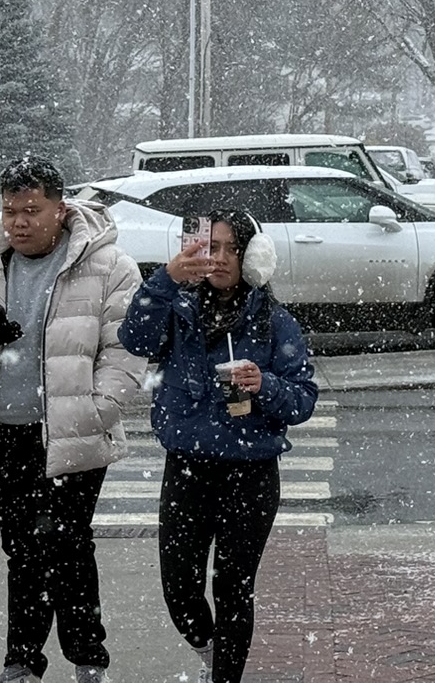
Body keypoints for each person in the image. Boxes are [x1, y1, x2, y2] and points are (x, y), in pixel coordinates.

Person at [0, 155, 146, 683]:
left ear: (60, 207)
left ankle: (88, 659)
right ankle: (22, 662)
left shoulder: (109, 264)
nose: (18, 222)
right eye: (9, 211)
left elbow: (126, 348)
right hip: (4, 430)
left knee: (67, 540)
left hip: (74, 429)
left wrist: (101, 407)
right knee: (22, 546)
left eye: (31, 210)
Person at [118, 209, 318, 683]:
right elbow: (134, 337)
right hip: (188, 467)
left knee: (233, 587)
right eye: (214, 247)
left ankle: (227, 675)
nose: (221, 259)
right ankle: (208, 645)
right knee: (180, 588)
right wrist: (164, 280)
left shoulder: (275, 322)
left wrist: (264, 384)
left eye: (233, 249)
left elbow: (303, 399)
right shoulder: (178, 308)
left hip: (250, 473)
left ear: (253, 258)